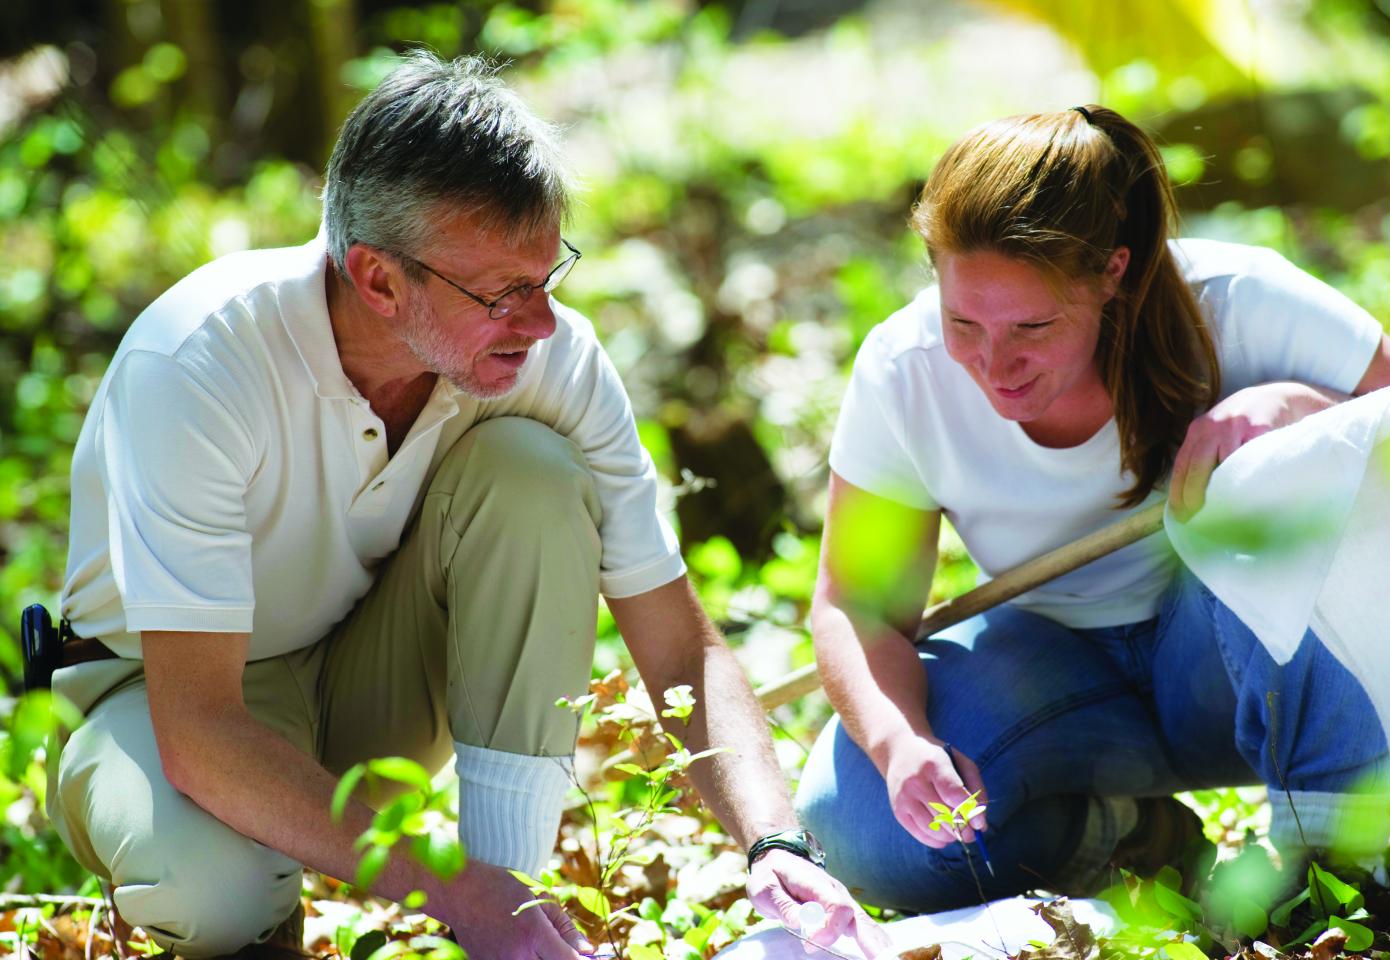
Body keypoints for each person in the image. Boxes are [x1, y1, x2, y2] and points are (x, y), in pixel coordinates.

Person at [47, 52, 887, 959]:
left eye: (547, 276)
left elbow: (679, 644)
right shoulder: (199, 364)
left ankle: (511, 917)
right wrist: (443, 885)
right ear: (377, 280)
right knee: (211, 890)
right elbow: (202, 732)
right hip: (164, 696)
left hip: (368, 669)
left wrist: (774, 841)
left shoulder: (549, 359)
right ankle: (323, 909)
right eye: (502, 294)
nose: (540, 323)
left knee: (532, 471)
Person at [794, 104, 1390, 912]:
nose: (995, 364)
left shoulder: (1242, 300)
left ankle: (1333, 870)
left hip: (1241, 666)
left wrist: (1307, 410)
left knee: (1286, 468)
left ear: (1112, 272)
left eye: (1033, 324)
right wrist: (901, 743)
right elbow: (857, 604)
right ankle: (1132, 838)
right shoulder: (903, 373)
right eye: (962, 321)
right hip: (1064, 675)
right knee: (862, 827)